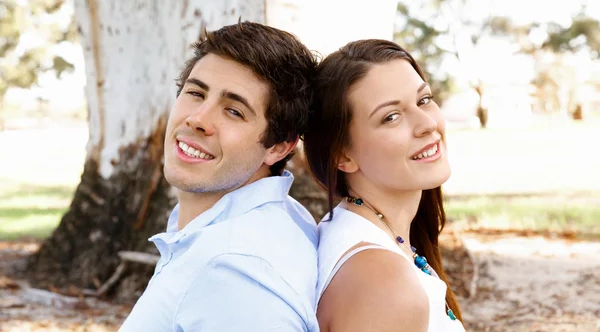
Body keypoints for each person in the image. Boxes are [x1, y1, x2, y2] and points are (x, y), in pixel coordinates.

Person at [119, 21, 319, 331]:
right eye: (196, 93)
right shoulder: (258, 222)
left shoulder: (234, 271)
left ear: (279, 146)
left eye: (234, 111)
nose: (198, 119)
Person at [303, 39, 466, 332]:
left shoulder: (369, 238)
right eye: (391, 117)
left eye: (424, 100)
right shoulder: (384, 284)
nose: (427, 124)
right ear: (342, 154)